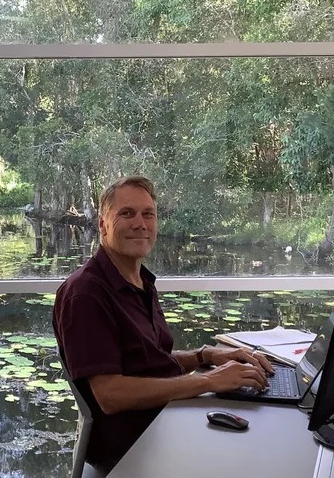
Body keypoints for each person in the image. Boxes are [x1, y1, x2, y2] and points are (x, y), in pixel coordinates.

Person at [53, 176, 273, 475]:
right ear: (103, 225)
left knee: (264, 434)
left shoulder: (140, 281)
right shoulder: (86, 294)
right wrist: (209, 381)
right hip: (134, 448)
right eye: (126, 213)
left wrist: (204, 356)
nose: (140, 223)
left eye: (148, 214)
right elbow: (111, 395)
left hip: (166, 421)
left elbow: (147, 362)